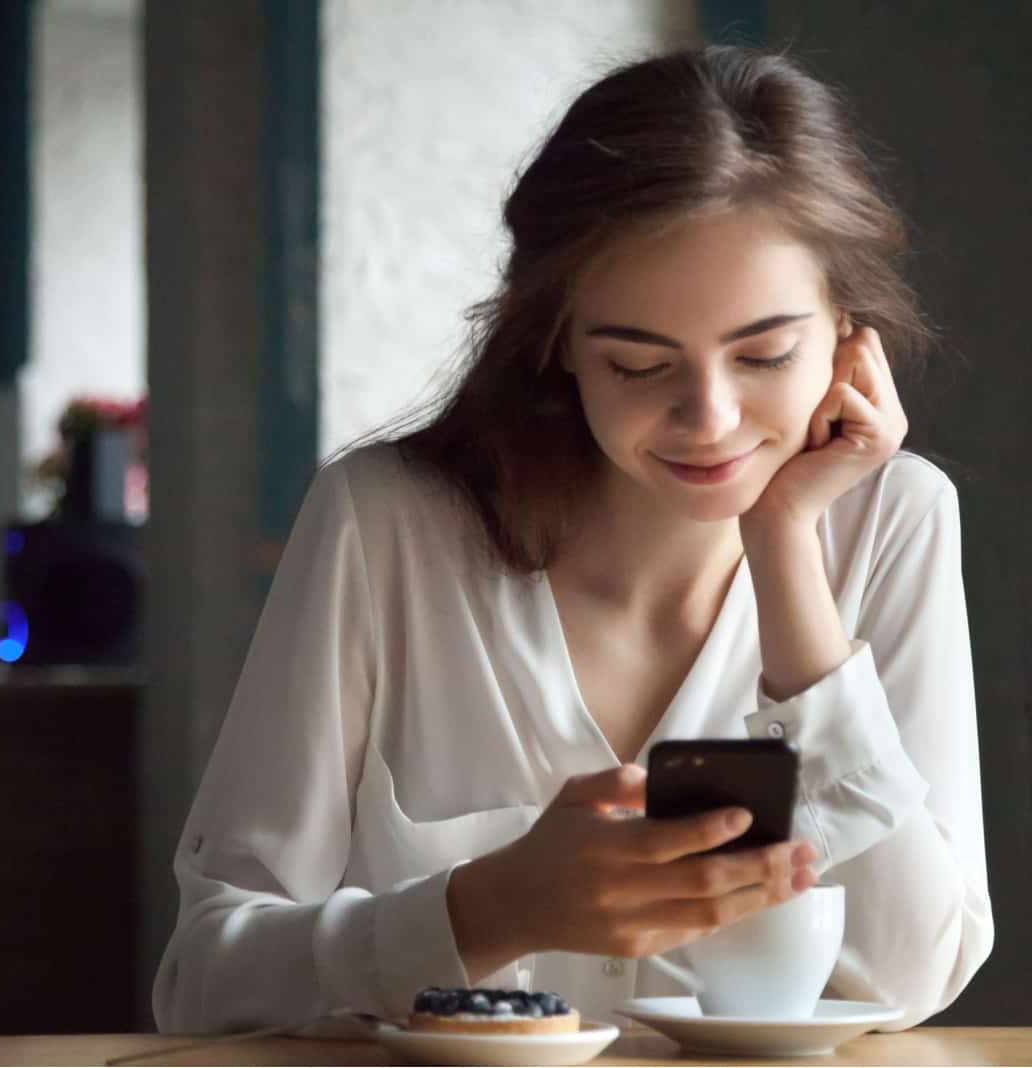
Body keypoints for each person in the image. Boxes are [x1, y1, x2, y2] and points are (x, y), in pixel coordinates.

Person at [154, 46, 993, 1033]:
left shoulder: (892, 521)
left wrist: (786, 555)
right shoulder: (383, 524)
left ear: (848, 334)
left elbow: (912, 977)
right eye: (638, 365)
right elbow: (202, 983)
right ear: (554, 340)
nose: (709, 418)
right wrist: (489, 908)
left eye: (764, 354)